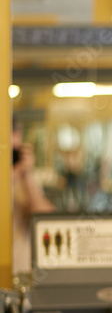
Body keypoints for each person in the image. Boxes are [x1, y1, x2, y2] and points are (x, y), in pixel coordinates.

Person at [12, 117, 55, 276]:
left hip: (20, 272)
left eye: (15, 152)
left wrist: (27, 175)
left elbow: (44, 218)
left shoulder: (27, 179)